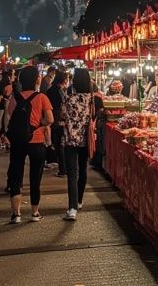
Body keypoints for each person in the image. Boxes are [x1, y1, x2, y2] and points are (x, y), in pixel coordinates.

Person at [7, 66, 54, 224]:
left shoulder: (15, 98)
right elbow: (50, 119)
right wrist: (38, 123)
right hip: (36, 141)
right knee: (35, 177)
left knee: (16, 175)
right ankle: (34, 212)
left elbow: (10, 115)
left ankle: (16, 214)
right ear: (37, 80)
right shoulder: (42, 98)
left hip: (18, 141)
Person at [61, 68, 103, 220]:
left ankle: (72, 208)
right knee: (83, 170)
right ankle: (79, 201)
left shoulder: (68, 99)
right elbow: (98, 115)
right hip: (86, 139)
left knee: (72, 173)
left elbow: (63, 116)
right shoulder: (93, 99)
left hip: (70, 140)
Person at [46, 71, 69, 177]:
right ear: (63, 80)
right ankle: (63, 169)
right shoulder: (59, 90)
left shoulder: (51, 89)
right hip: (58, 120)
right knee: (60, 145)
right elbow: (63, 105)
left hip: (53, 118)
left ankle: (61, 167)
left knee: (56, 143)